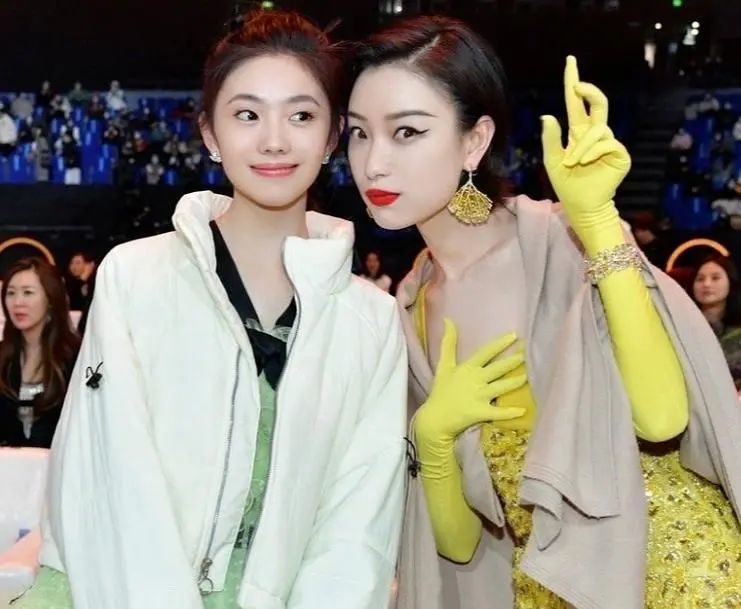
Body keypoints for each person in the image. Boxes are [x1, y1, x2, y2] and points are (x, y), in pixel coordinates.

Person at [12, 9, 406, 609]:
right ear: (210, 134)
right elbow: (107, 477)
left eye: (301, 115)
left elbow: (357, 529)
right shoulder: (135, 276)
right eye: (247, 114)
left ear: (332, 137)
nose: (274, 140)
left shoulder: (370, 320)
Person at [346, 16, 741, 609]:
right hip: (548, 592)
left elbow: (662, 419)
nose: (373, 162)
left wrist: (599, 223)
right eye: (358, 133)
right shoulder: (408, 308)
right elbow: (460, 547)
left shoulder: (562, 242)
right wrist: (432, 436)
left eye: (407, 132)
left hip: (679, 576)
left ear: (474, 141)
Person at [0, 258, 80, 448]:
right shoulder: (3, 355)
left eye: (28, 292)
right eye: (11, 293)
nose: (17, 302)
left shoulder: (76, 357)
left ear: (51, 299)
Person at [691, 254, 741, 389]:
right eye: (700, 279)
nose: (706, 284)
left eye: (715, 278)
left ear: (730, 282)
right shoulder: (683, 326)